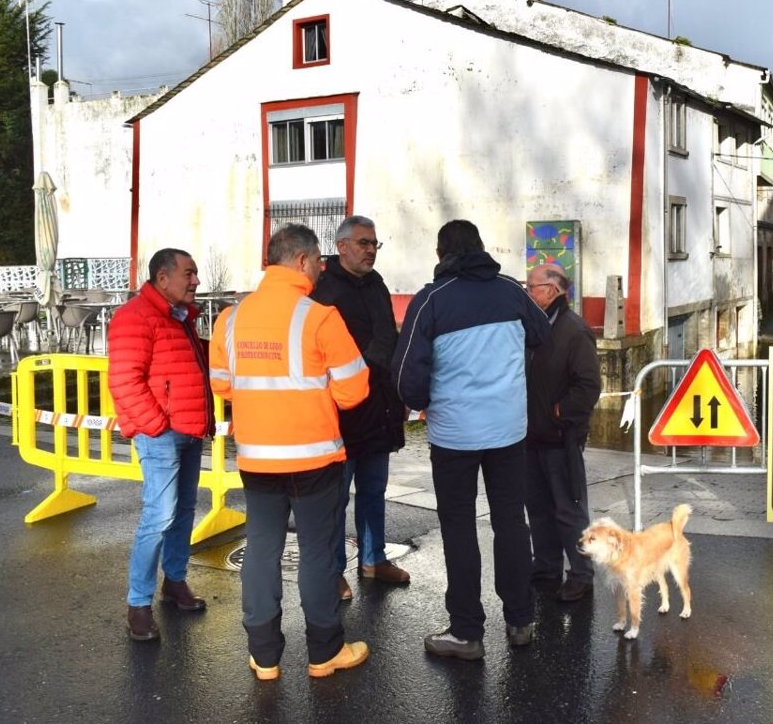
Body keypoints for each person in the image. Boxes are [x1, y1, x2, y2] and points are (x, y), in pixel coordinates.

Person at [209, 224, 371, 681]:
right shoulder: (320, 317)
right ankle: (324, 654)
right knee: (318, 554)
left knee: (261, 550)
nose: (323, 268)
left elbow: (221, 385)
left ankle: (264, 658)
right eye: (320, 260)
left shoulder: (230, 319)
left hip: (257, 458)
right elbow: (354, 390)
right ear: (301, 261)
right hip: (314, 459)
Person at [391, 219, 550, 660]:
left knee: (459, 528)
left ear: (442, 255)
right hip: (508, 431)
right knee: (510, 523)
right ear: (481, 247)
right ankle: (521, 620)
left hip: (455, 433)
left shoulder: (431, 300)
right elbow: (542, 333)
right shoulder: (511, 290)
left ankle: (466, 633)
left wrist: (425, 401)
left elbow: (406, 374)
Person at [108, 248, 213, 643]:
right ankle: (138, 603)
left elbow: (190, 369)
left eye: (195, 273)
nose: (195, 281)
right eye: (189, 273)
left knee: (183, 510)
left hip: (185, 429)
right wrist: (156, 426)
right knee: (159, 516)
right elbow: (124, 381)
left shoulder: (177, 316)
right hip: (164, 434)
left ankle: (175, 582)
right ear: (163, 277)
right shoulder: (135, 317)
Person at [310, 215, 410, 599]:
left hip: (379, 403)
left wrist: (394, 393)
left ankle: (374, 558)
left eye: (374, 244)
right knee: (336, 496)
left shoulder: (377, 284)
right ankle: (334, 570)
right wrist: (358, 372)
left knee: (374, 490)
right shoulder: (323, 288)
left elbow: (390, 336)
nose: (371, 250)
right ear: (342, 246)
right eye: (364, 243)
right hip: (339, 409)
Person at [523, 263, 601, 602]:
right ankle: (546, 567)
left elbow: (588, 385)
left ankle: (581, 574)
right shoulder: (534, 326)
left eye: (532, 287)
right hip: (530, 436)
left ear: (553, 291)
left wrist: (559, 413)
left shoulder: (573, 330)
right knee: (538, 509)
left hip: (560, 438)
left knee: (568, 511)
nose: (528, 292)